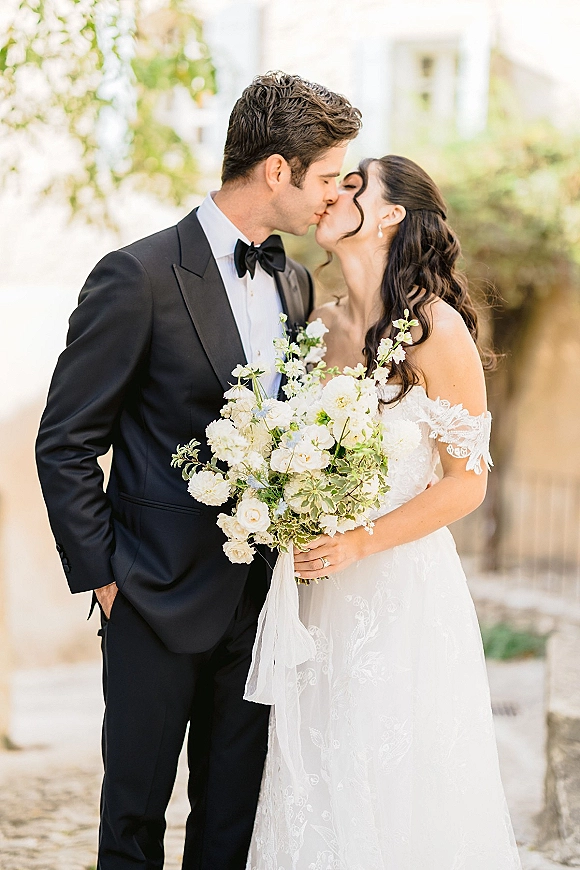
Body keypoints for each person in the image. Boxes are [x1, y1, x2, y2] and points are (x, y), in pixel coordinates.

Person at [35, 72, 361, 870]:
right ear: (277, 171)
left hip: (259, 608)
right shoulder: (135, 276)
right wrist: (108, 578)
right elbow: (67, 441)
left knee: (230, 828)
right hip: (152, 597)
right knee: (134, 825)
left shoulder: (293, 280)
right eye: (326, 178)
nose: (333, 196)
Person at [247, 156, 522, 869]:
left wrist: (361, 543)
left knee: (395, 777)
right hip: (315, 592)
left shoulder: (437, 329)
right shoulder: (317, 322)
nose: (334, 193)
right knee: (316, 776)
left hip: (400, 593)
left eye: (353, 183)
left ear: (393, 214)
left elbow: (468, 483)